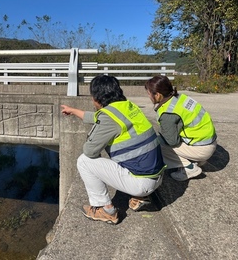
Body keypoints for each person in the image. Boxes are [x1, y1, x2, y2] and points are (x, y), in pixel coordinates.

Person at [61, 75, 166, 225]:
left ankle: (107, 211)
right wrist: (73, 110)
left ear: (97, 98)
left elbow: (90, 151)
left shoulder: (109, 117)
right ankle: (139, 197)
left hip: (142, 184)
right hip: (156, 177)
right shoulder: (127, 107)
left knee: (84, 161)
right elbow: (98, 117)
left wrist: (95, 135)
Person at [145, 75, 217, 181]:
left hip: (202, 149)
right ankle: (195, 159)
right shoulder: (180, 98)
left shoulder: (168, 113)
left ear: (158, 95)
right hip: (209, 141)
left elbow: (172, 141)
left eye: (149, 94)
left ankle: (189, 168)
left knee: (157, 144)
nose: (149, 97)